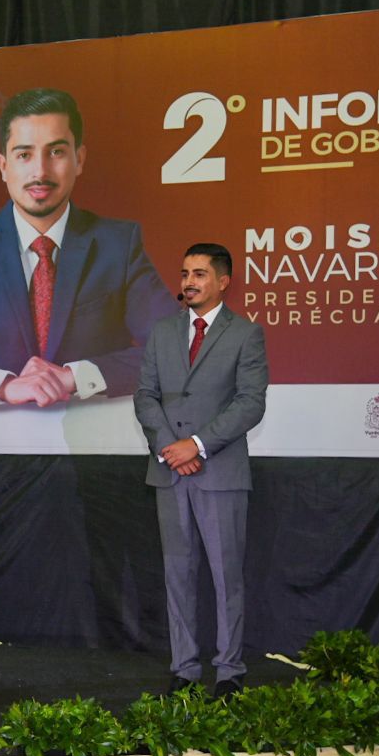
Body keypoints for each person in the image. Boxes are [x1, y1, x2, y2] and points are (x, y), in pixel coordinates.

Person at [0, 87, 177, 407]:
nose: (40, 172)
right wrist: (2, 385)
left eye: (57, 152)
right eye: (24, 155)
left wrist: (75, 376)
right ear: (4, 166)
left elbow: (174, 347)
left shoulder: (118, 245)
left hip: (93, 435)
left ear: (79, 159)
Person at [134, 243, 268, 699]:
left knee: (226, 576)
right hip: (169, 472)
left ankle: (229, 671)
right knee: (178, 574)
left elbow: (250, 403)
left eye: (199, 274)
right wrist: (169, 447)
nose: (188, 282)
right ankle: (184, 669)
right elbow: (145, 396)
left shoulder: (245, 334)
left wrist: (197, 445)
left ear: (223, 281)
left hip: (220, 474)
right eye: (185, 273)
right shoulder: (163, 332)